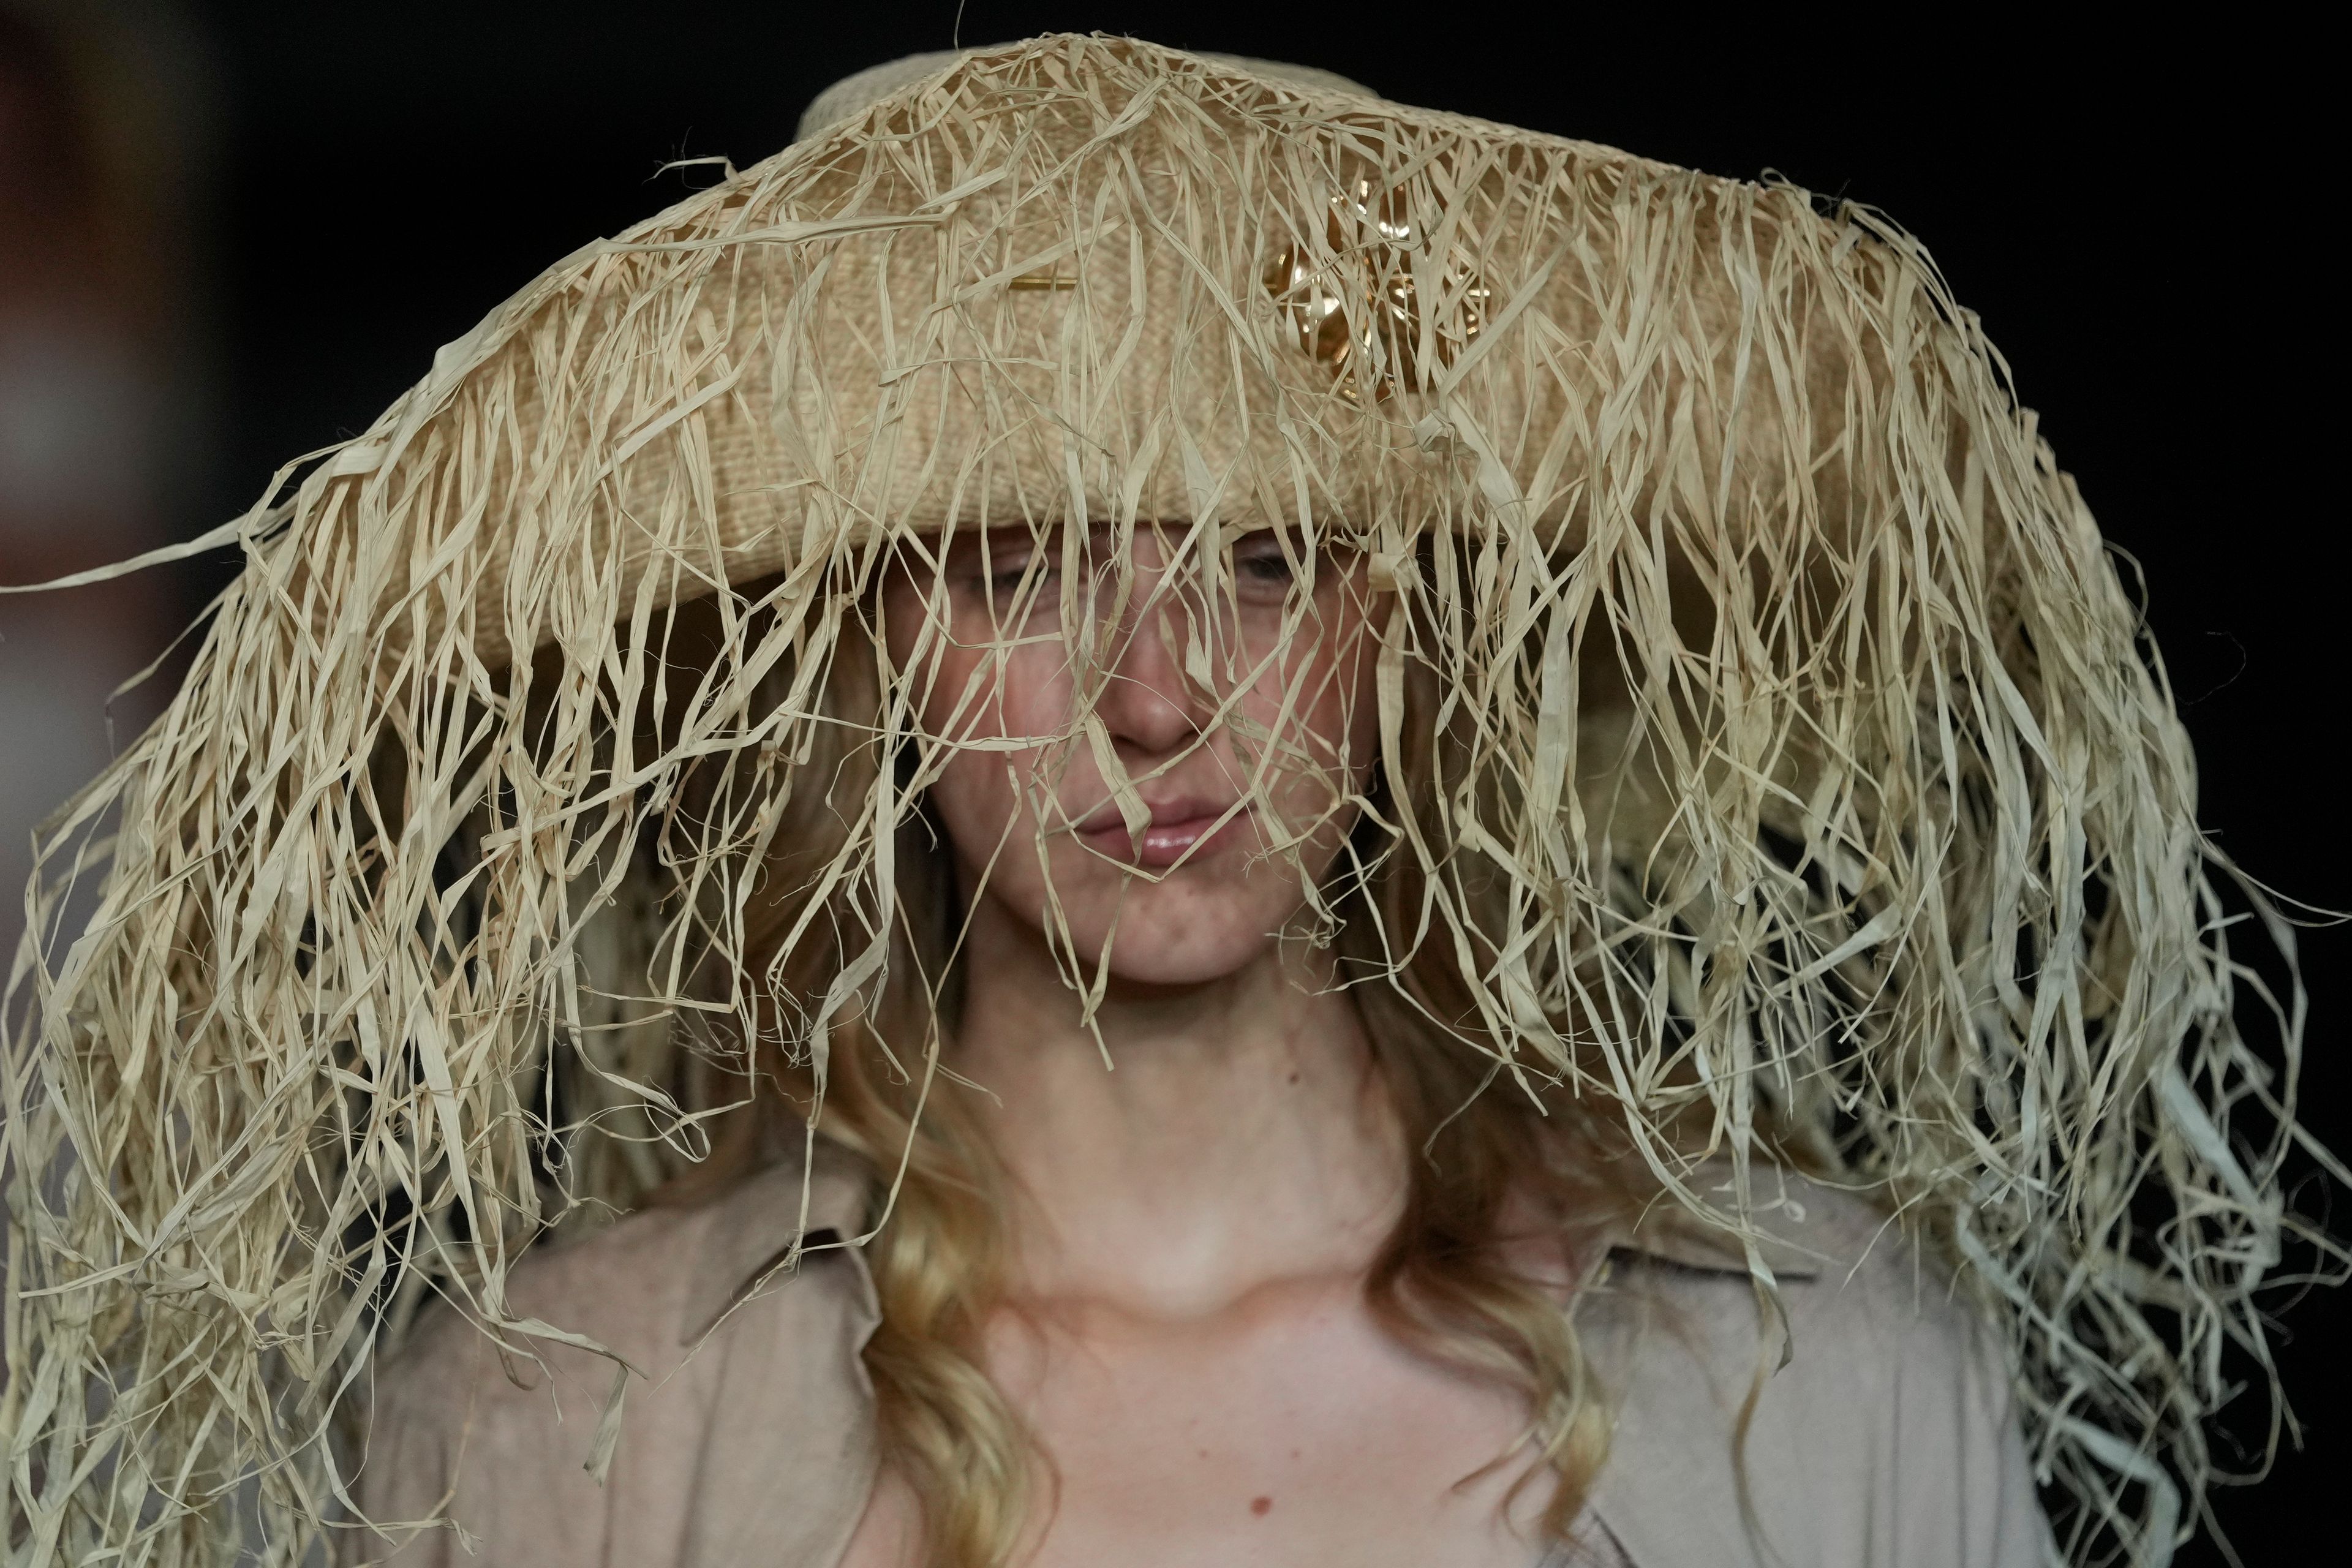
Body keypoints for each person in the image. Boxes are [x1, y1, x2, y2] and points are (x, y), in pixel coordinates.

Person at [2, 36, 2315, 1568]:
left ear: (1404, 622)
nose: (1150, 691)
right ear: (874, 643)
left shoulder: (1819, 1388)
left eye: (1269, 556)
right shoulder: (555, 1426)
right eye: (1018, 565)